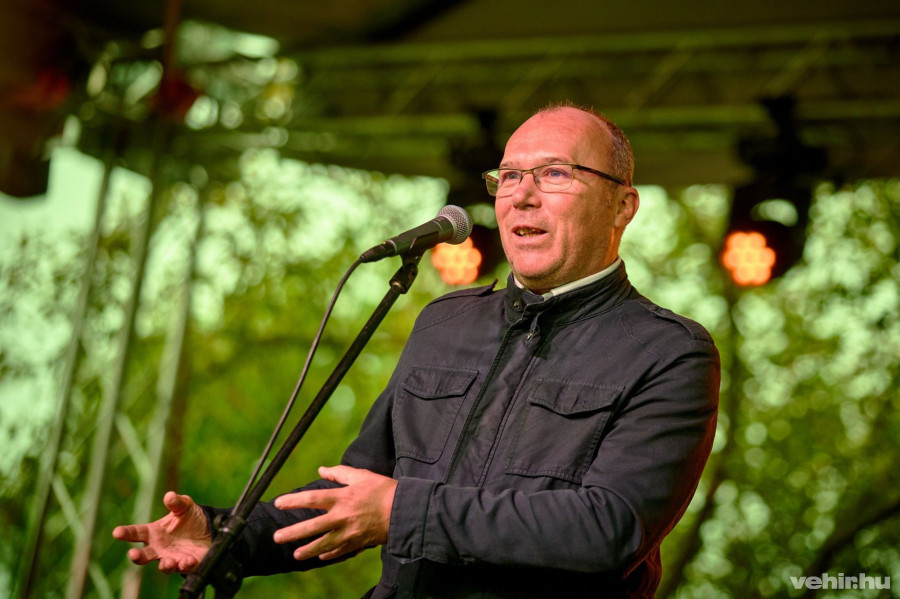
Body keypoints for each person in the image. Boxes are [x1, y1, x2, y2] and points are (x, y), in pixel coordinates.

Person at [113, 103, 719, 598]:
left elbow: (608, 529)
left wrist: (402, 510)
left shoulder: (669, 352)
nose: (522, 196)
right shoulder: (444, 323)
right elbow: (355, 495)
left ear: (622, 205)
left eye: (555, 174)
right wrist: (225, 537)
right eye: (508, 176)